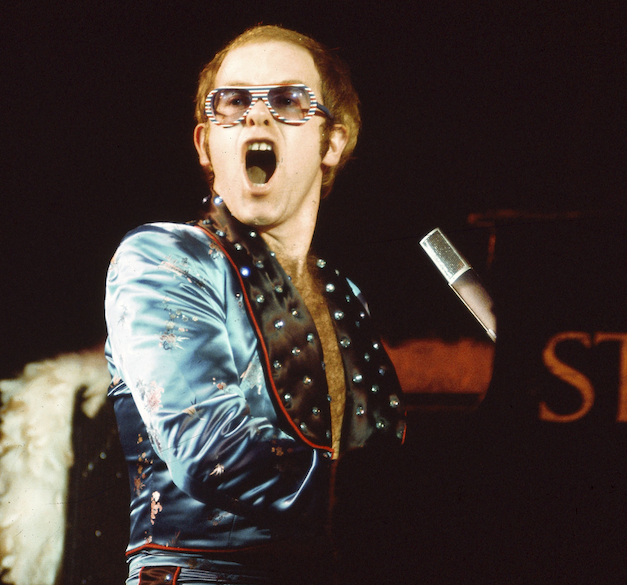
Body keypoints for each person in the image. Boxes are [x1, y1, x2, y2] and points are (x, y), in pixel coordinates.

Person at [104, 25, 406, 584]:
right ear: (205, 145)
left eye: (289, 101)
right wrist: (416, 503)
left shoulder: (345, 294)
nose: (257, 117)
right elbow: (208, 449)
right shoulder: (163, 258)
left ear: (332, 144)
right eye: (234, 101)